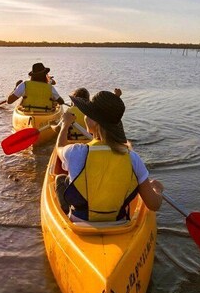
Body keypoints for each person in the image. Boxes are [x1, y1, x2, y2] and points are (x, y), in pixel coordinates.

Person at [55, 90, 163, 222]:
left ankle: (65, 212)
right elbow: (154, 204)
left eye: (87, 114)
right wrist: (157, 189)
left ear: (94, 122)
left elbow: (59, 148)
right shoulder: (133, 158)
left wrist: (65, 125)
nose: (84, 117)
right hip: (119, 223)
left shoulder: (75, 152)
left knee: (61, 178)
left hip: (80, 223)